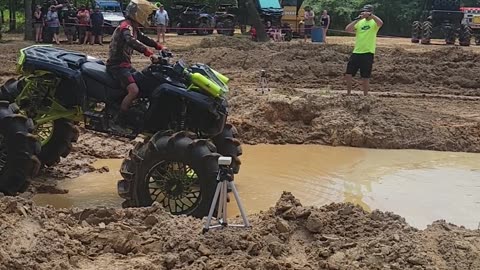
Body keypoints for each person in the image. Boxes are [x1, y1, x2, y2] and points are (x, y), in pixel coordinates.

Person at [106, 0, 164, 126]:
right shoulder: (126, 27)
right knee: (133, 90)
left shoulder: (134, 27)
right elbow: (131, 40)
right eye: (147, 14)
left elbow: (144, 38)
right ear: (138, 13)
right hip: (117, 66)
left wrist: (160, 47)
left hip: (125, 65)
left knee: (142, 81)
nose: (148, 17)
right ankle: (119, 119)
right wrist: (149, 53)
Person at [344, 4, 383, 96]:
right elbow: (348, 29)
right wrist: (358, 19)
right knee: (348, 73)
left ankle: (365, 96)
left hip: (368, 52)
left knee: (365, 76)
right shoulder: (359, 22)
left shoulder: (374, 23)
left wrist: (370, 16)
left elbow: (380, 23)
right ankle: (348, 94)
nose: (364, 13)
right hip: (357, 51)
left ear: (371, 12)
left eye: (366, 11)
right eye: (363, 11)